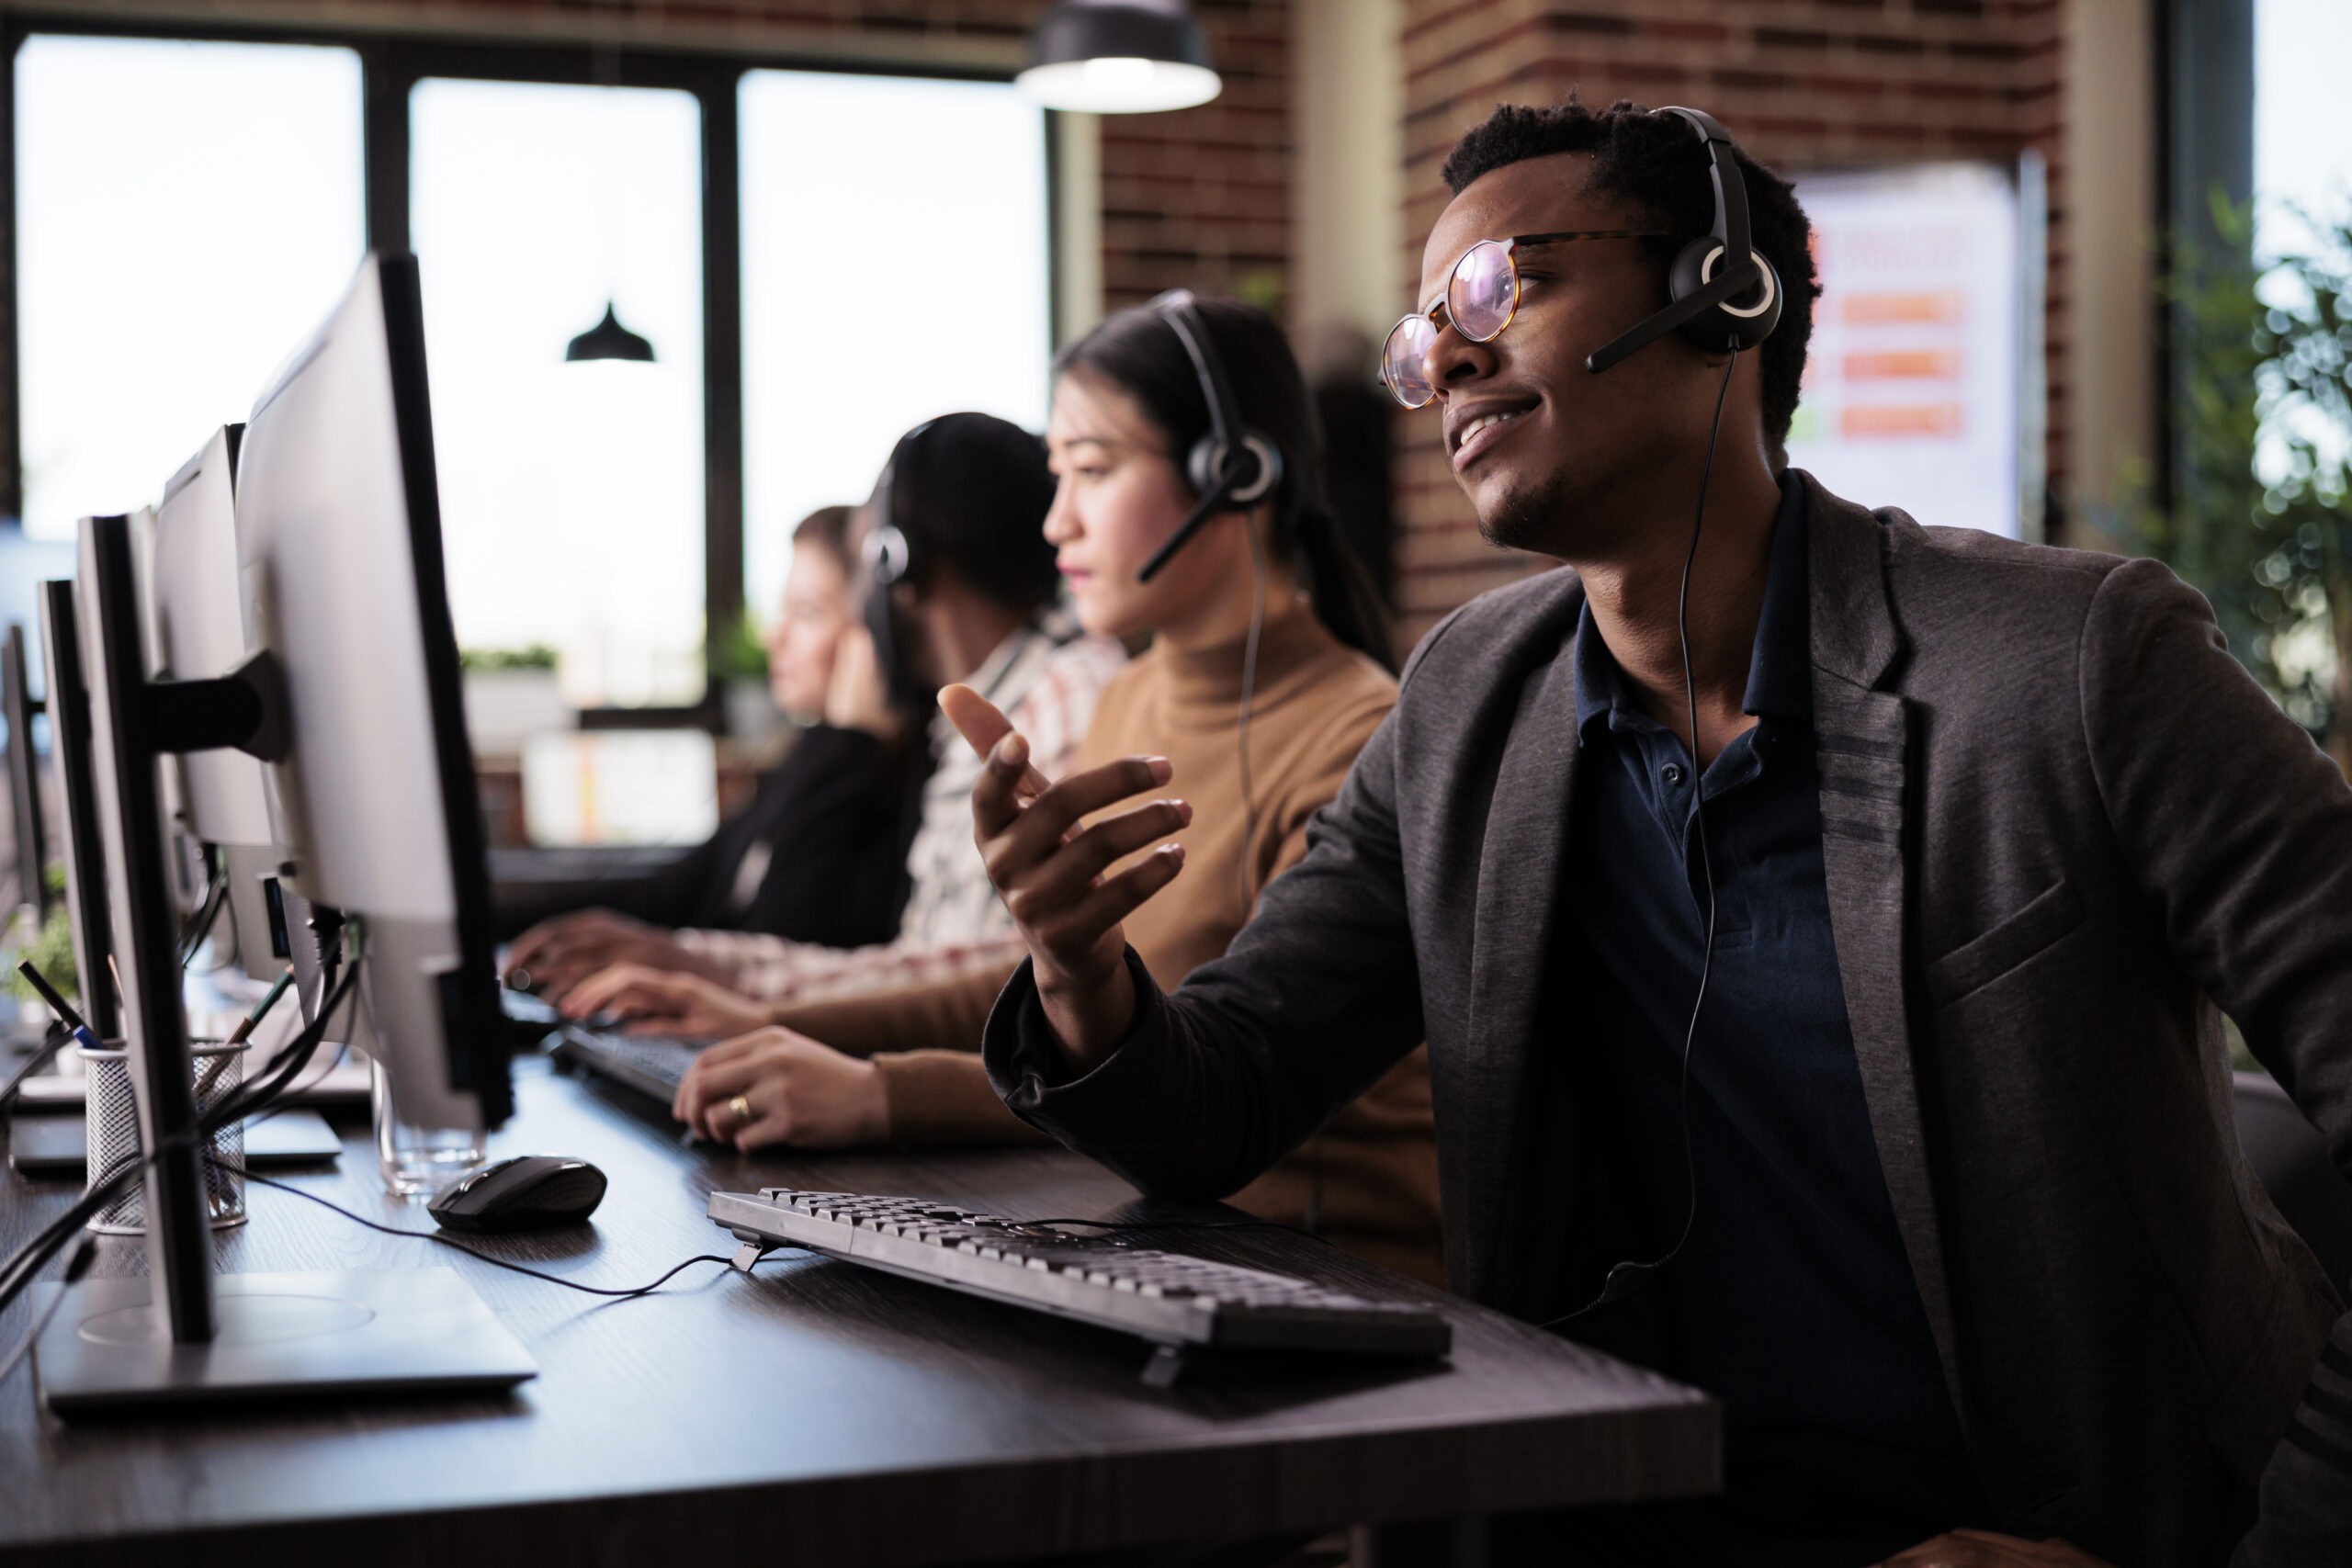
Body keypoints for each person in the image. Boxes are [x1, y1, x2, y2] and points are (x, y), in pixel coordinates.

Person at [948, 98, 2352, 1567]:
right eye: (1428, 337)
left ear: (1721, 295)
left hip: (2065, 1521)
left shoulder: (2077, 665)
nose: (1452, 361)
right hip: (1608, 1509)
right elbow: (1220, 1097)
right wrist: (1076, 969)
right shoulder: (1466, 705)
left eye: (1503, 287)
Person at [576, 296, 1447, 1285]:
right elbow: (1040, 1000)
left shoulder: (1356, 737)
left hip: (1317, 1277)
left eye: (1092, 469)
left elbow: (1172, 1073)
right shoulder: (1130, 699)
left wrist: (878, 1095)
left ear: (1231, 473)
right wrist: (755, 1018)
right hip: (1150, 1233)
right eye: (1055, 476)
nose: (1055, 521)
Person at [510, 412, 1126, 1001]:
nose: (862, 609)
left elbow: (1005, 990)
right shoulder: (976, 717)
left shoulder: (1058, 702)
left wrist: (743, 996)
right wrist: (700, 965)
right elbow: (933, 965)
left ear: (895, 567)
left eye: (860, 575)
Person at [498, 506, 920, 956]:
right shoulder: (806, 762)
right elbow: (666, 893)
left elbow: (782, 941)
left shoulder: (890, 788)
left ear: (875, 633)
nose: (775, 638)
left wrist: (848, 739)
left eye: (806, 612)